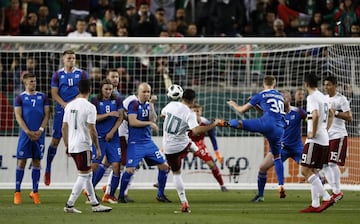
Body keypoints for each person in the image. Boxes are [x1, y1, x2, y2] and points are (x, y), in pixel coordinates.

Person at [161, 86, 221, 213]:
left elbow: (162, 115)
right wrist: (213, 125)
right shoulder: (190, 113)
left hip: (168, 147)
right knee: (189, 142)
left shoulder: (170, 105)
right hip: (181, 145)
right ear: (193, 100)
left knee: (176, 173)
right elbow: (196, 131)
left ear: (182, 97)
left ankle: (184, 202)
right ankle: (197, 150)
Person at [226, 75, 286, 197]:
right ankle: (281, 185)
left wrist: (234, 105)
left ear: (263, 85)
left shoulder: (260, 95)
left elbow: (242, 110)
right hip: (279, 129)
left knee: (239, 123)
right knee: (277, 157)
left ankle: (222, 123)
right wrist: (256, 105)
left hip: (266, 123)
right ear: (274, 85)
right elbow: (268, 111)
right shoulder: (280, 96)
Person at [62, 79, 112, 213]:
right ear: (90, 90)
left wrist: (67, 144)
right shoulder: (90, 107)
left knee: (88, 175)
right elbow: (92, 129)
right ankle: (69, 204)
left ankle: (95, 204)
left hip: (72, 145)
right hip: (83, 145)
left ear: (78, 89)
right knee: (84, 175)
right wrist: (98, 147)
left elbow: (64, 127)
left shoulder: (69, 106)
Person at [118, 83, 170, 203]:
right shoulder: (134, 104)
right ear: (138, 93)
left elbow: (153, 119)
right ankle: (121, 196)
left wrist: (152, 105)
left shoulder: (148, 104)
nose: (146, 94)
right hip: (135, 143)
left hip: (148, 143)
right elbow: (132, 122)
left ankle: (160, 195)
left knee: (164, 166)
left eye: (148, 92)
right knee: (130, 169)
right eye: (144, 92)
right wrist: (149, 124)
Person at [251, 90, 306, 202]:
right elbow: (264, 114)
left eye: (286, 96)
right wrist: (255, 106)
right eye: (282, 97)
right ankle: (260, 195)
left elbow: (312, 118)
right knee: (262, 167)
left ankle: (323, 189)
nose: (284, 98)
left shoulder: (298, 112)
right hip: (280, 148)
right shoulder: (275, 113)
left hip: (297, 147)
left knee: (309, 169)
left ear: (290, 99)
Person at [44, 50, 90, 186]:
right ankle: (47, 169)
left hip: (78, 109)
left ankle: (84, 178)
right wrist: (64, 104)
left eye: (73, 58)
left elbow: (86, 91)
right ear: (63, 59)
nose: (71, 60)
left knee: (82, 142)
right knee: (55, 140)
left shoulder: (82, 73)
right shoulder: (57, 75)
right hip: (62, 110)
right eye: (69, 58)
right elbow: (54, 93)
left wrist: (73, 103)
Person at [299, 73, 335, 213]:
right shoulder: (323, 97)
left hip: (315, 140)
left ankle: (326, 197)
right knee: (313, 170)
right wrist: (325, 129)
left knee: (305, 170)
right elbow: (331, 114)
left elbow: (315, 115)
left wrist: (313, 132)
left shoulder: (312, 97)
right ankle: (315, 204)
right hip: (324, 139)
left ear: (306, 83)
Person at [13, 73, 50, 205]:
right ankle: (17, 192)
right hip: (25, 134)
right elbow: (18, 116)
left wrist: (40, 130)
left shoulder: (43, 97)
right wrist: (27, 131)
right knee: (21, 162)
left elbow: (47, 114)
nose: (33, 84)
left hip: (39, 135)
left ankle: (35, 192)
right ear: (25, 83)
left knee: (37, 162)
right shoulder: (20, 98)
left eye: (34, 81)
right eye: (30, 82)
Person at [89, 78, 124, 204]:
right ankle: (90, 192)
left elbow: (120, 118)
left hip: (113, 138)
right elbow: (94, 118)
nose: (109, 91)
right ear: (101, 89)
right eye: (106, 89)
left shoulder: (117, 100)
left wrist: (112, 132)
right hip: (99, 138)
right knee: (94, 165)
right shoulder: (95, 100)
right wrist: (108, 115)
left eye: (110, 89)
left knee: (116, 166)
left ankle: (110, 194)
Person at [323, 76, 352, 202]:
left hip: (338, 135)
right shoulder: (324, 99)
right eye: (325, 84)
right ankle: (335, 191)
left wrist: (335, 113)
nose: (326, 87)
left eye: (328, 84)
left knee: (331, 163)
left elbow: (349, 117)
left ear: (335, 85)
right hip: (326, 135)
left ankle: (337, 191)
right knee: (324, 164)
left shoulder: (341, 99)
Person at [189, 103, 227, 192]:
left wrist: (217, 152)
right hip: (187, 143)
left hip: (199, 145)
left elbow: (212, 137)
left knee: (212, 164)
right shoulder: (187, 120)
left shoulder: (206, 122)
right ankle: (161, 183)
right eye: (194, 111)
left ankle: (222, 185)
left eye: (198, 111)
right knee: (174, 161)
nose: (196, 113)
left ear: (201, 111)